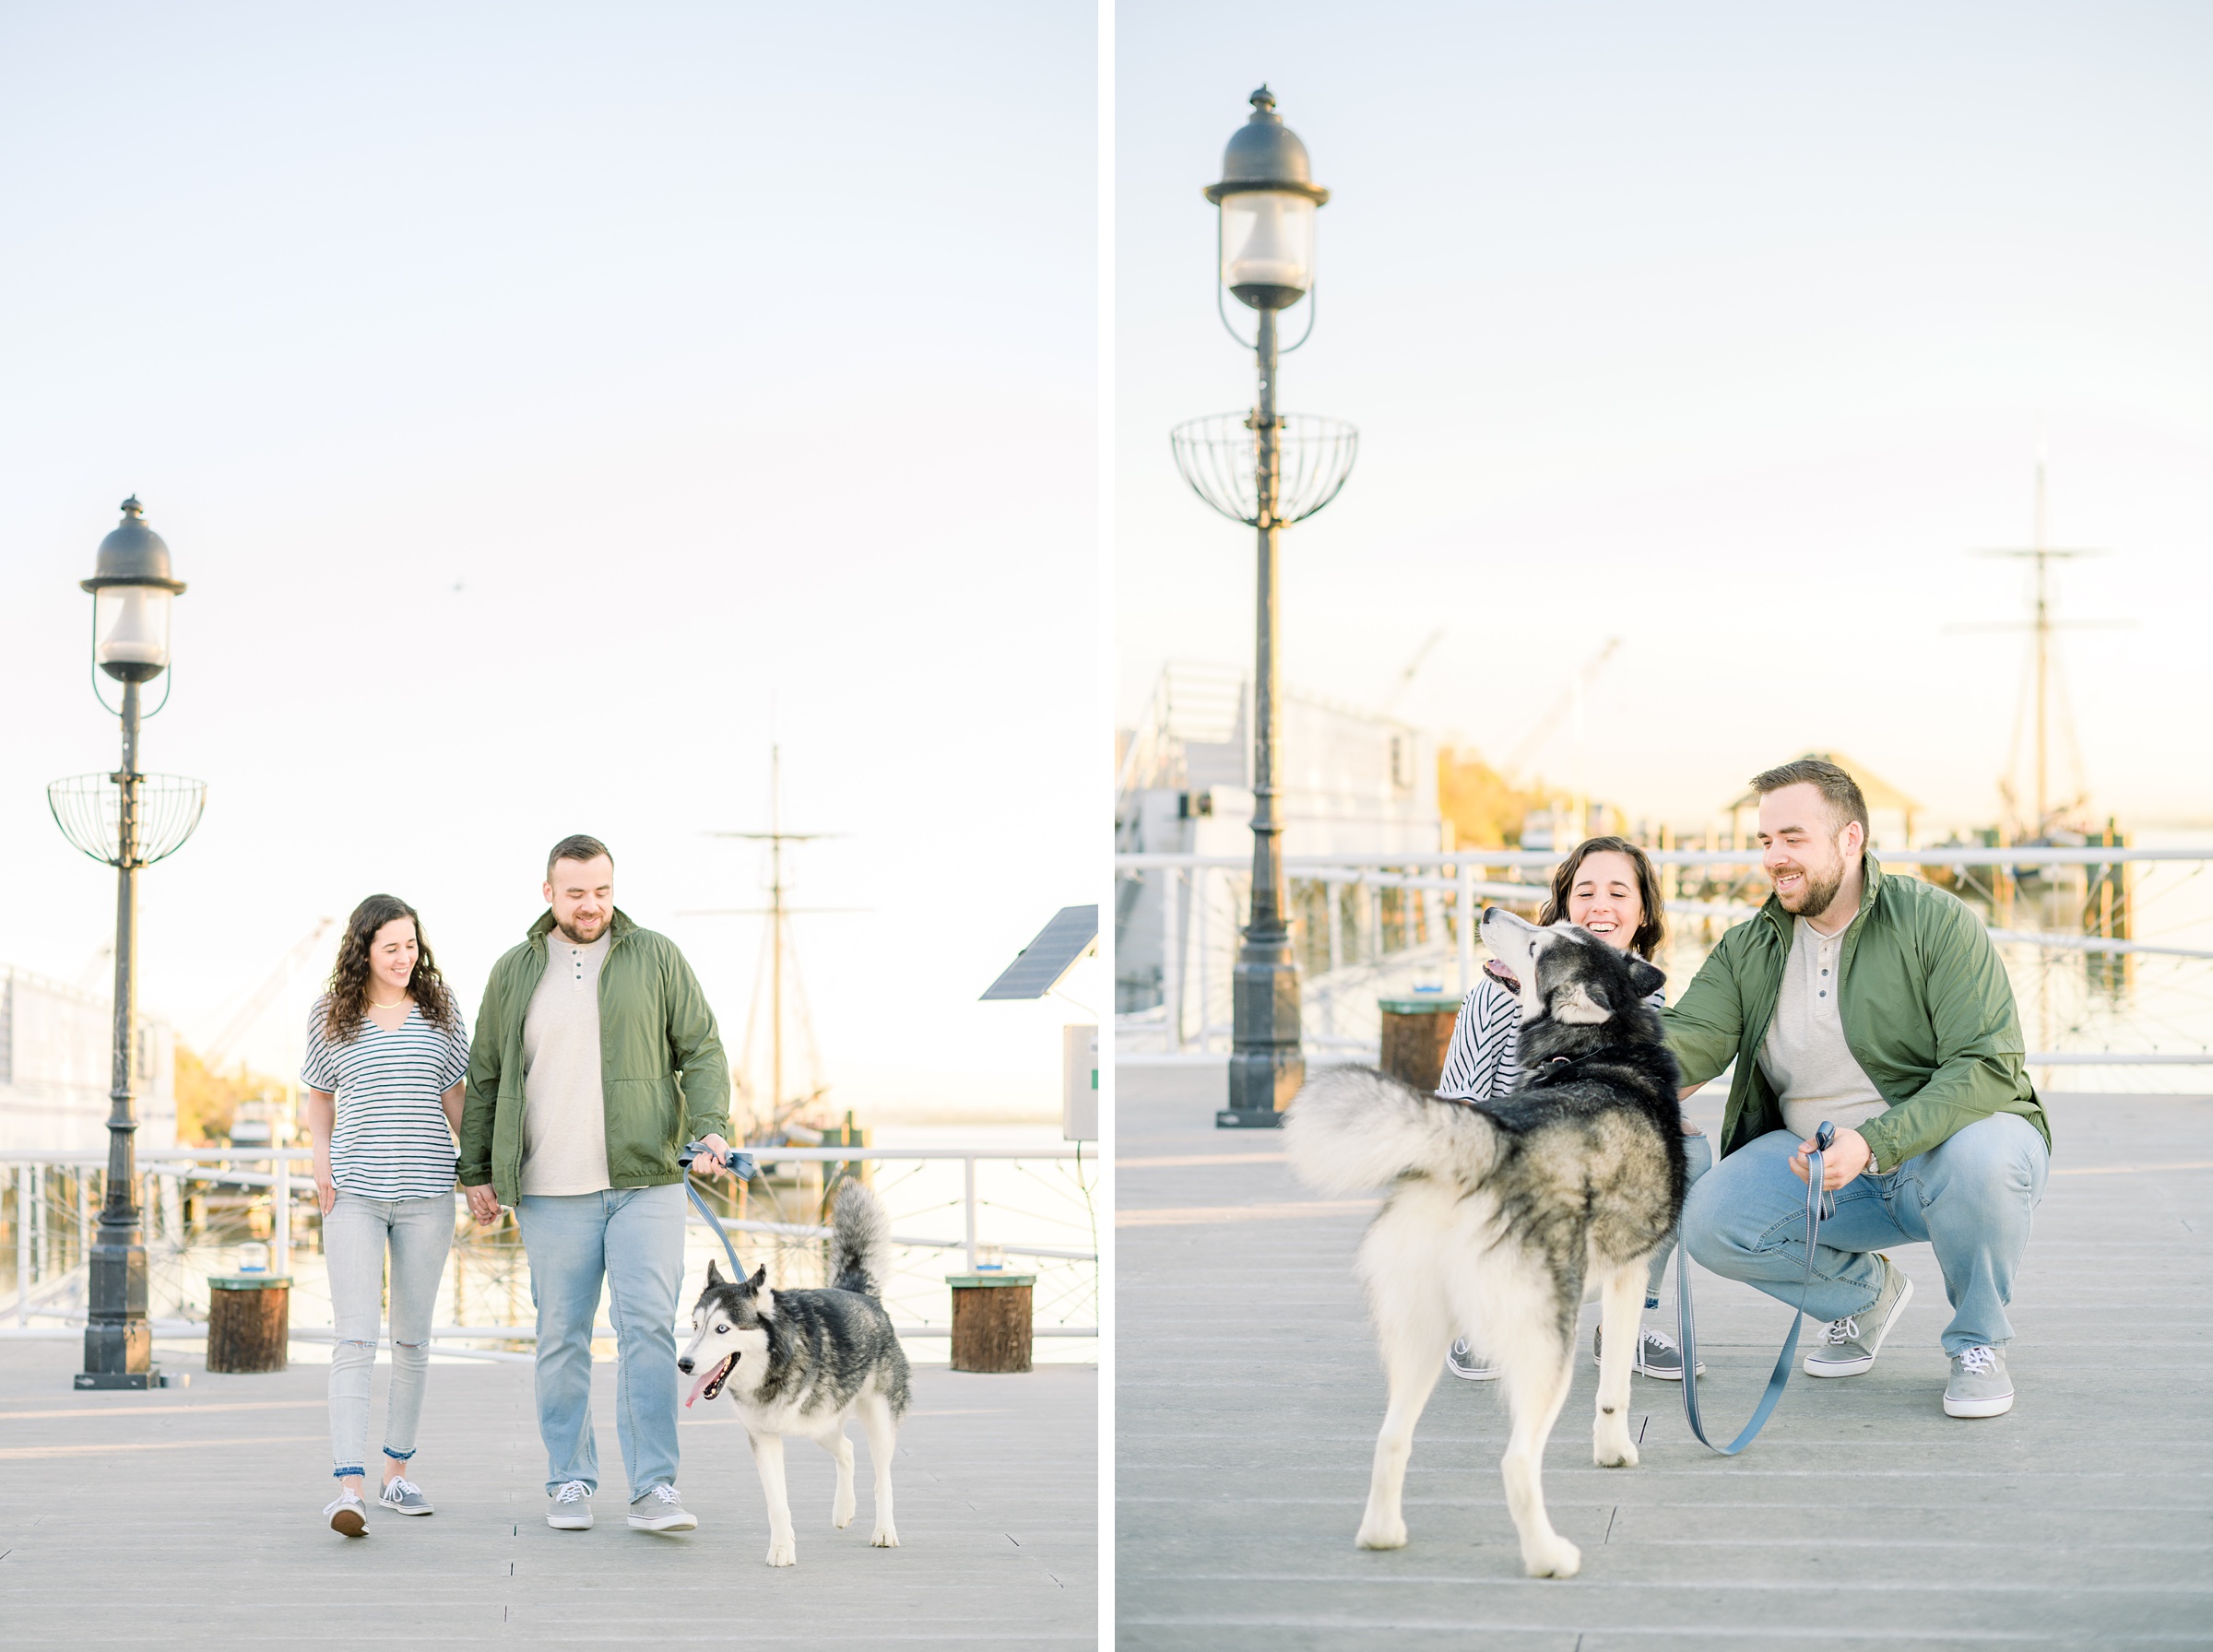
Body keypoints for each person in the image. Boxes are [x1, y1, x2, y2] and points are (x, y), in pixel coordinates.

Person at [1667, 759, 2052, 1419]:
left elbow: (1988, 1065)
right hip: (1818, 1168)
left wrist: (1873, 1143)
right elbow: (1688, 1043)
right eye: (1764, 841)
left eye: (1793, 838)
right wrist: (1597, 1047)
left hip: (1943, 1153)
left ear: (1851, 840)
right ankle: (1865, 1298)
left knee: (1987, 1157)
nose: (1774, 859)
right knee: (1710, 1221)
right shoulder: (1747, 948)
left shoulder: (1935, 921)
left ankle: (1978, 1343)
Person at [459, 834, 734, 1532]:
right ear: (549, 893)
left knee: (645, 1328)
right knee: (561, 1336)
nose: (592, 905)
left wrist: (709, 1126)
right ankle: (570, 1481)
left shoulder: (656, 957)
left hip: (646, 1179)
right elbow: (486, 1077)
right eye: (576, 893)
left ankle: (653, 1488)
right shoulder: (515, 970)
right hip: (551, 1190)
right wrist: (478, 1175)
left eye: (603, 891)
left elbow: (701, 1047)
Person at [1436, 835, 1711, 1382]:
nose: (1601, 906)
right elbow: (1460, 1107)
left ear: (1642, 912)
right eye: (1585, 892)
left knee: (1686, 1152)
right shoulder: (1497, 989)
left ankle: (1625, 1323)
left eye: (1618, 892)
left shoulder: (1643, 995)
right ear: (1565, 907)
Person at [302, 894, 473, 1537]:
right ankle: (349, 1489)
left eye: (411, 945)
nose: (405, 958)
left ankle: (396, 1476)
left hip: (429, 1192)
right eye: (391, 947)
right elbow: (320, 1099)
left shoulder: (442, 1007)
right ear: (364, 951)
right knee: (354, 1340)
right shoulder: (329, 1014)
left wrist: (476, 1171)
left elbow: (456, 1095)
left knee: (411, 1340)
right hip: (353, 1195)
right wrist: (320, 1161)